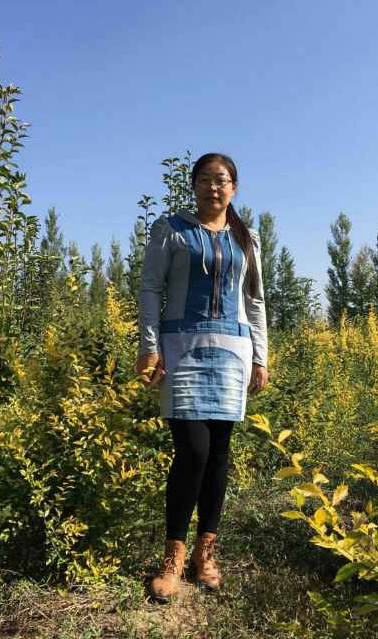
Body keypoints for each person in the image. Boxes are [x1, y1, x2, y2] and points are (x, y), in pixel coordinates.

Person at [136, 152, 269, 602]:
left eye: (223, 180)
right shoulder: (170, 230)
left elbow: (255, 300)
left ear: (234, 188)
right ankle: (172, 558)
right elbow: (150, 288)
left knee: (218, 455)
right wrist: (149, 346)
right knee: (192, 451)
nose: (215, 187)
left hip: (233, 353)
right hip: (181, 350)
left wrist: (261, 357)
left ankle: (205, 554)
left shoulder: (246, 237)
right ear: (193, 185)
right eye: (207, 179)